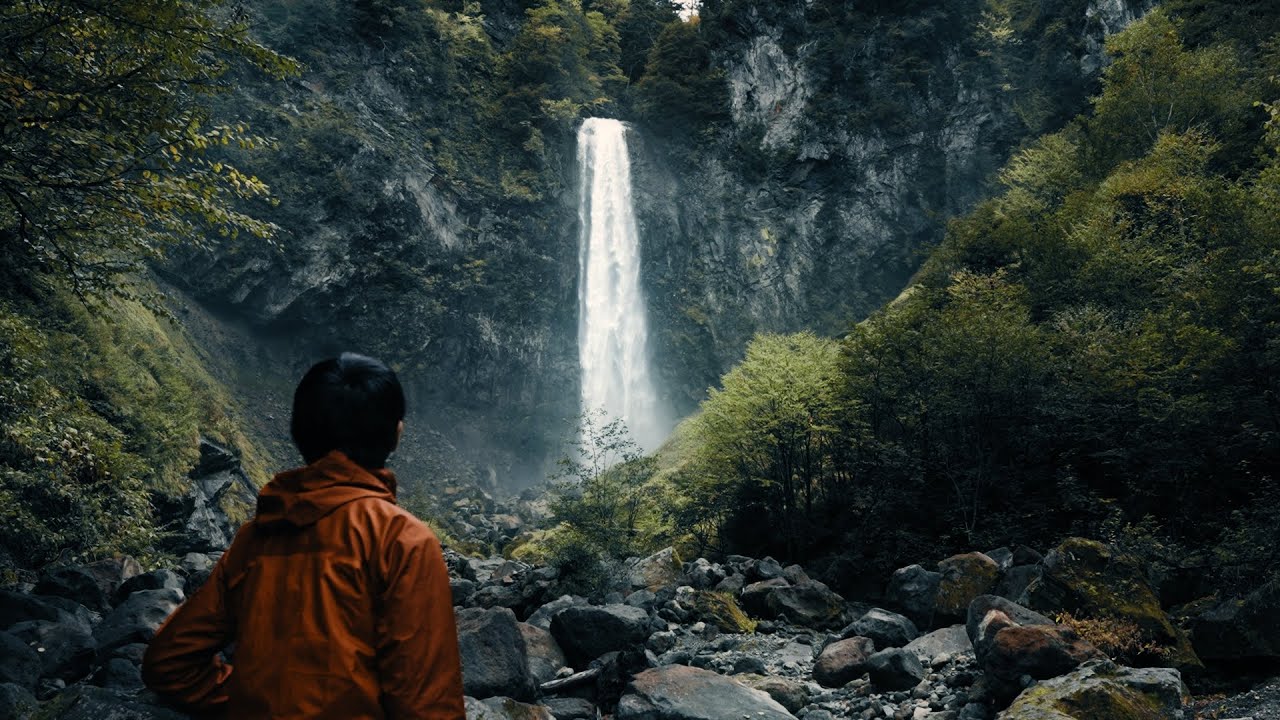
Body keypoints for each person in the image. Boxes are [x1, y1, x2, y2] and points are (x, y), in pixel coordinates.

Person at [142, 353, 465, 719]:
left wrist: (255, 700)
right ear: (397, 434)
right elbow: (427, 706)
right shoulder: (403, 540)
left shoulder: (257, 536)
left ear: (298, 433)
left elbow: (169, 663)